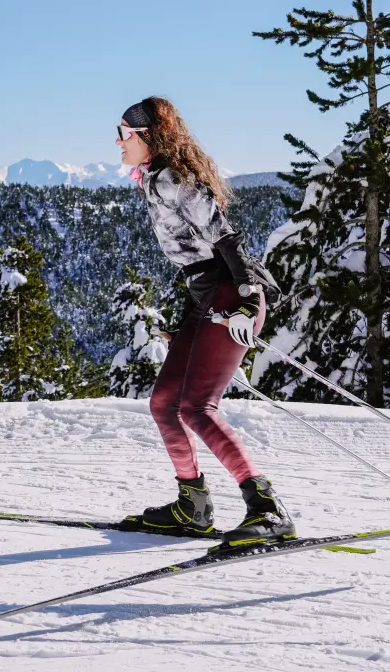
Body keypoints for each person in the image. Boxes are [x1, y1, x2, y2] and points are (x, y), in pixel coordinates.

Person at [116, 96, 295, 548]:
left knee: (197, 407)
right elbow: (197, 261)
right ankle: (193, 506)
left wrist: (247, 298)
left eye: (123, 133)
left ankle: (269, 510)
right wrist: (189, 321)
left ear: (146, 137)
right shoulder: (155, 180)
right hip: (208, 298)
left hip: (232, 294)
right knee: (164, 402)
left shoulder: (173, 178)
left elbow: (224, 236)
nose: (117, 143)